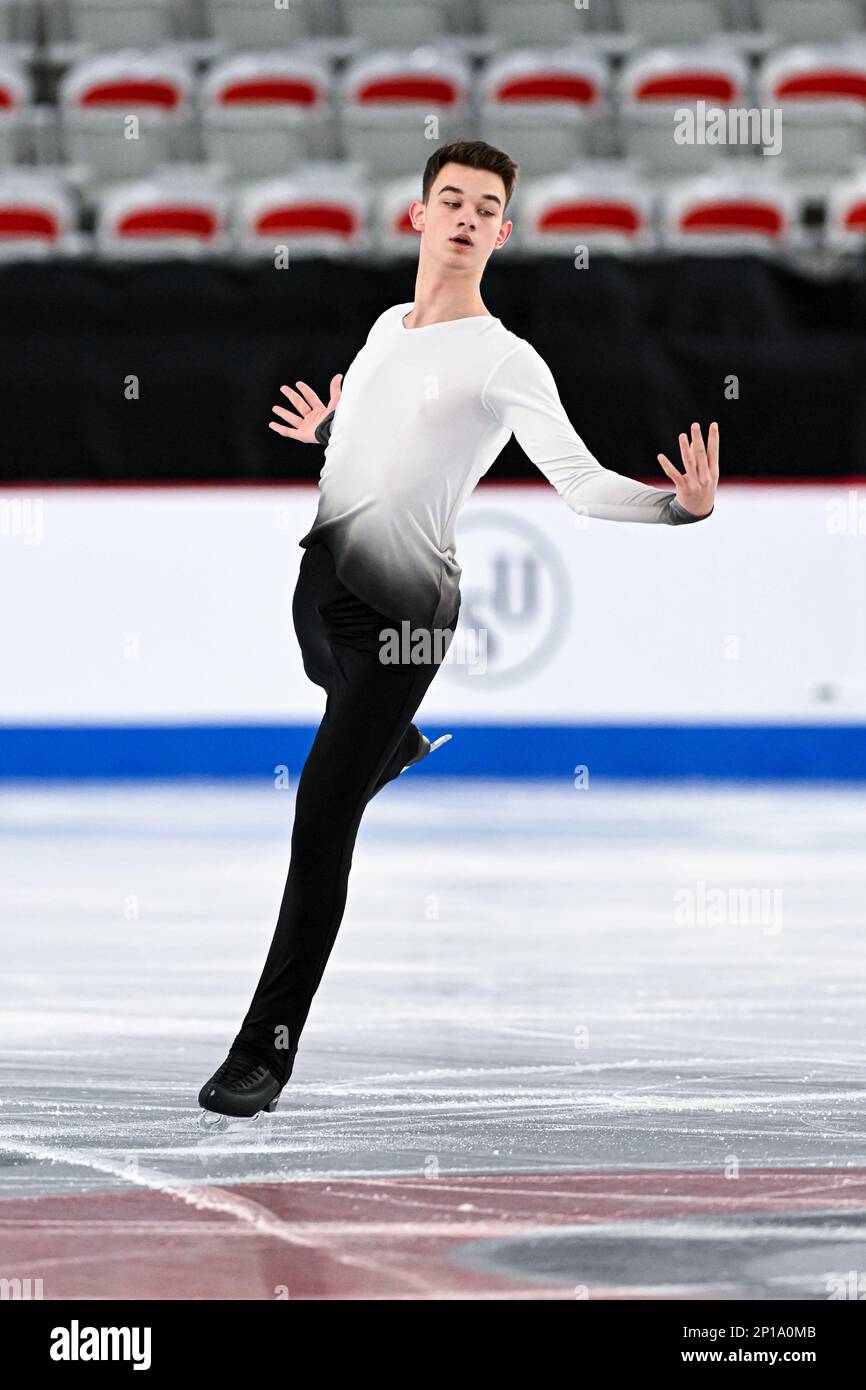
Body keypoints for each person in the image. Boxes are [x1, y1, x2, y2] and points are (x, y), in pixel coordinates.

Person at [198, 139, 720, 1121]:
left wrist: (671, 508)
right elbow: (376, 441)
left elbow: (577, 482)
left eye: (486, 206)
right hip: (321, 593)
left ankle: (263, 1052)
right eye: (452, 199)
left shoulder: (502, 359)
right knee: (326, 678)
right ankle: (385, 742)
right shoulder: (386, 326)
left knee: (319, 818)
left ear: (503, 232)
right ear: (418, 216)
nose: (467, 215)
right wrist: (330, 436)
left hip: (402, 617)